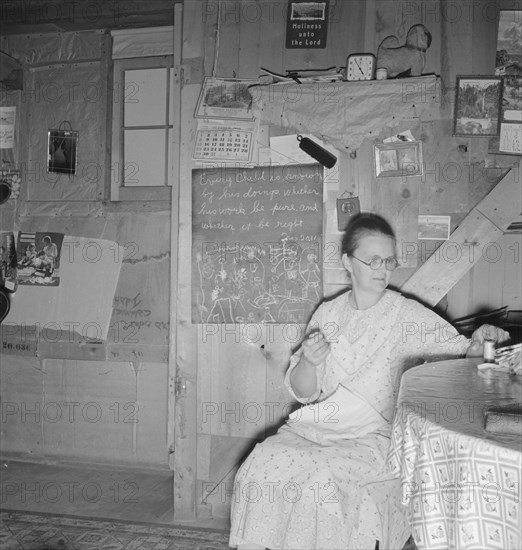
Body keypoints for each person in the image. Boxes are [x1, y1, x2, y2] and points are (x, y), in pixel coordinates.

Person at [228, 213, 510, 550]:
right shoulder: (327, 315)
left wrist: (480, 339)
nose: (383, 269)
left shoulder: (405, 315)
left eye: (389, 260)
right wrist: (308, 361)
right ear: (348, 262)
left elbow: (464, 354)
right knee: (261, 462)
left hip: (375, 436)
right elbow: (305, 394)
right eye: (372, 260)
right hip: (320, 426)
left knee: (322, 478)